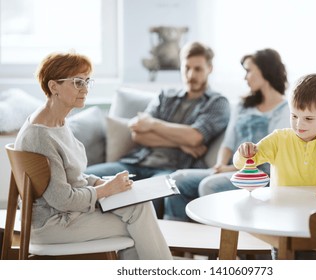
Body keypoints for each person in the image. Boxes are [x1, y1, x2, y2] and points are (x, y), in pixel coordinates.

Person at [14, 52, 172, 260]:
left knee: (139, 203)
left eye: (87, 81)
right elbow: (63, 200)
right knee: (139, 225)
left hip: (67, 214)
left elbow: (71, 175)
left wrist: (98, 181)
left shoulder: (58, 121)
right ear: (54, 87)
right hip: (53, 224)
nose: (85, 89)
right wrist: (105, 189)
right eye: (78, 82)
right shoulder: (40, 136)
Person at [86, 41, 230, 217]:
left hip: (170, 169)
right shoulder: (165, 96)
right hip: (136, 162)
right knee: (85, 178)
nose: (191, 74)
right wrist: (180, 143)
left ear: (210, 68)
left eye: (198, 69)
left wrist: (154, 125)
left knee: (146, 197)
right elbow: (138, 134)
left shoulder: (217, 103)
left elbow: (195, 137)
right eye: (187, 68)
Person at [164, 48, 290, 222]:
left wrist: (228, 169)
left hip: (258, 176)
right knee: (175, 180)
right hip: (229, 170)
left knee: (210, 185)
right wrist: (220, 165)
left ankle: (217, 246)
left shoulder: (284, 110)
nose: (245, 77)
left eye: (248, 71)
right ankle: (176, 243)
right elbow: (229, 142)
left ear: (264, 70)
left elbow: (269, 160)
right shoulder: (242, 105)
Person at [234, 73, 316, 199]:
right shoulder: (278, 139)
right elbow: (242, 163)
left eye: (308, 118)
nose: (299, 124)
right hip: (282, 208)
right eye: (294, 116)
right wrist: (244, 153)